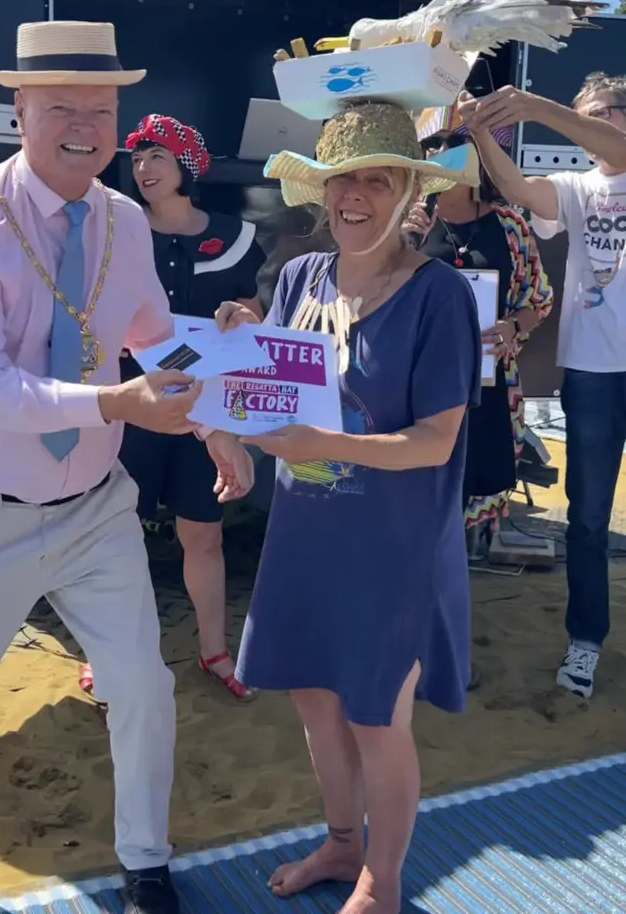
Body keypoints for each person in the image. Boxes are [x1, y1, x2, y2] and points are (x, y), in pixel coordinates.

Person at [0, 21, 252, 914]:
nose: (83, 125)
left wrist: (215, 420)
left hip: (96, 506)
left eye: (100, 109)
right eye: (60, 104)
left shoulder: (121, 222)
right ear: (19, 107)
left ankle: (146, 864)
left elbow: (150, 337)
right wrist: (114, 405)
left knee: (143, 682)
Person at [216, 100, 482, 914]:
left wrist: (322, 447)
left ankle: (385, 879)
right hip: (306, 537)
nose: (355, 196)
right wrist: (243, 334)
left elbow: (436, 442)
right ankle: (341, 843)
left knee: (376, 717)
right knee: (313, 699)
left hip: (396, 549)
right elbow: (287, 381)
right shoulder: (300, 276)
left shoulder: (441, 297)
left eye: (378, 179)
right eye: (343, 180)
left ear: (411, 193)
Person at [80, 114, 265, 702]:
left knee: (203, 537)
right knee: (111, 539)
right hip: (133, 409)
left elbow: (252, 313)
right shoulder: (117, 233)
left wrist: (246, 318)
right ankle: (104, 657)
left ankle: (215, 651)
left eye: (156, 156)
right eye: (136, 159)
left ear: (187, 165)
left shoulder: (237, 235)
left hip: (204, 414)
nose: (142, 169)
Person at [458, 75, 626, 700]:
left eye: (600, 114)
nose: (586, 128)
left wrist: (536, 107)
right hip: (592, 374)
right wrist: (479, 128)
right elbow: (514, 186)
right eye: (583, 117)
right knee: (586, 520)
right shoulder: (578, 189)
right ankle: (585, 642)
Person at [404, 108, 553, 543]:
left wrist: (510, 327)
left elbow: (539, 300)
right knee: (414, 489)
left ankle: (449, 583)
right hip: (416, 382)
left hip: (488, 385)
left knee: (469, 489)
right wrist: (402, 242)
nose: (442, 159)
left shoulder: (509, 227)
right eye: (432, 150)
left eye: (453, 150)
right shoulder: (406, 223)